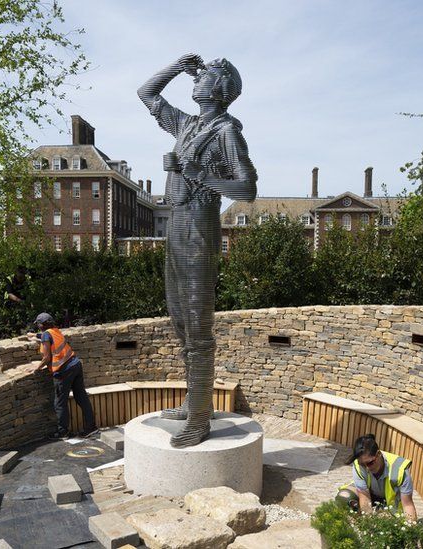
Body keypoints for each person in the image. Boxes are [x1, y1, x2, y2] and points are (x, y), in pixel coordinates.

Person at [137, 53, 257, 448]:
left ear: (221, 89)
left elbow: (246, 189)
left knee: (197, 326)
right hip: (176, 226)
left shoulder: (226, 132)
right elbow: (147, 92)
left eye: (207, 75)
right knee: (179, 320)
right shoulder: (187, 125)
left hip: (200, 227)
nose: (199, 78)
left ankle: (201, 419)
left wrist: (193, 173)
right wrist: (177, 65)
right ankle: (194, 401)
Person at [33, 312, 97, 440]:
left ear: (41, 324)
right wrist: (34, 336)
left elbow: (46, 358)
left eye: (38, 324)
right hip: (75, 364)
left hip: (63, 371)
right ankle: (91, 428)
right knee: (81, 397)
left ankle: (63, 432)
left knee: (60, 403)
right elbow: (48, 338)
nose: (37, 326)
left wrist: (36, 368)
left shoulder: (46, 335)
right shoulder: (55, 331)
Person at [338, 434, 418, 522]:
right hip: (371, 496)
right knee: (344, 497)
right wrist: (368, 524)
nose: (367, 468)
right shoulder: (358, 465)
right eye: (363, 464)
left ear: (378, 454)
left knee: (390, 521)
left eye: (370, 463)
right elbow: (364, 497)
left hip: (391, 504)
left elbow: (407, 505)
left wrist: (411, 527)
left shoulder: (400, 470)